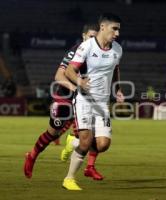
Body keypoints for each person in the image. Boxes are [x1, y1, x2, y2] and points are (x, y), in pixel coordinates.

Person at [23, 24, 104, 180]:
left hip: (86, 99)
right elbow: (59, 76)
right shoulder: (75, 52)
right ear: (83, 36)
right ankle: (32, 155)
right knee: (53, 133)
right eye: (90, 36)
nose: (93, 40)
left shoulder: (99, 53)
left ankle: (90, 166)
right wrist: (75, 89)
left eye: (96, 37)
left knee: (93, 132)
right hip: (65, 97)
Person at [62, 13, 124, 190]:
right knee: (86, 140)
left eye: (119, 29)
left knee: (103, 145)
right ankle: (69, 179)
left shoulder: (118, 49)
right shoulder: (86, 47)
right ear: (103, 27)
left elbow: (115, 69)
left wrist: (118, 88)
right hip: (84, 100)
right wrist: (80, 81)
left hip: (102, 103)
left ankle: (72, 143)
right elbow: (69, 71)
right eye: (115, 28)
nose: (117, 33)